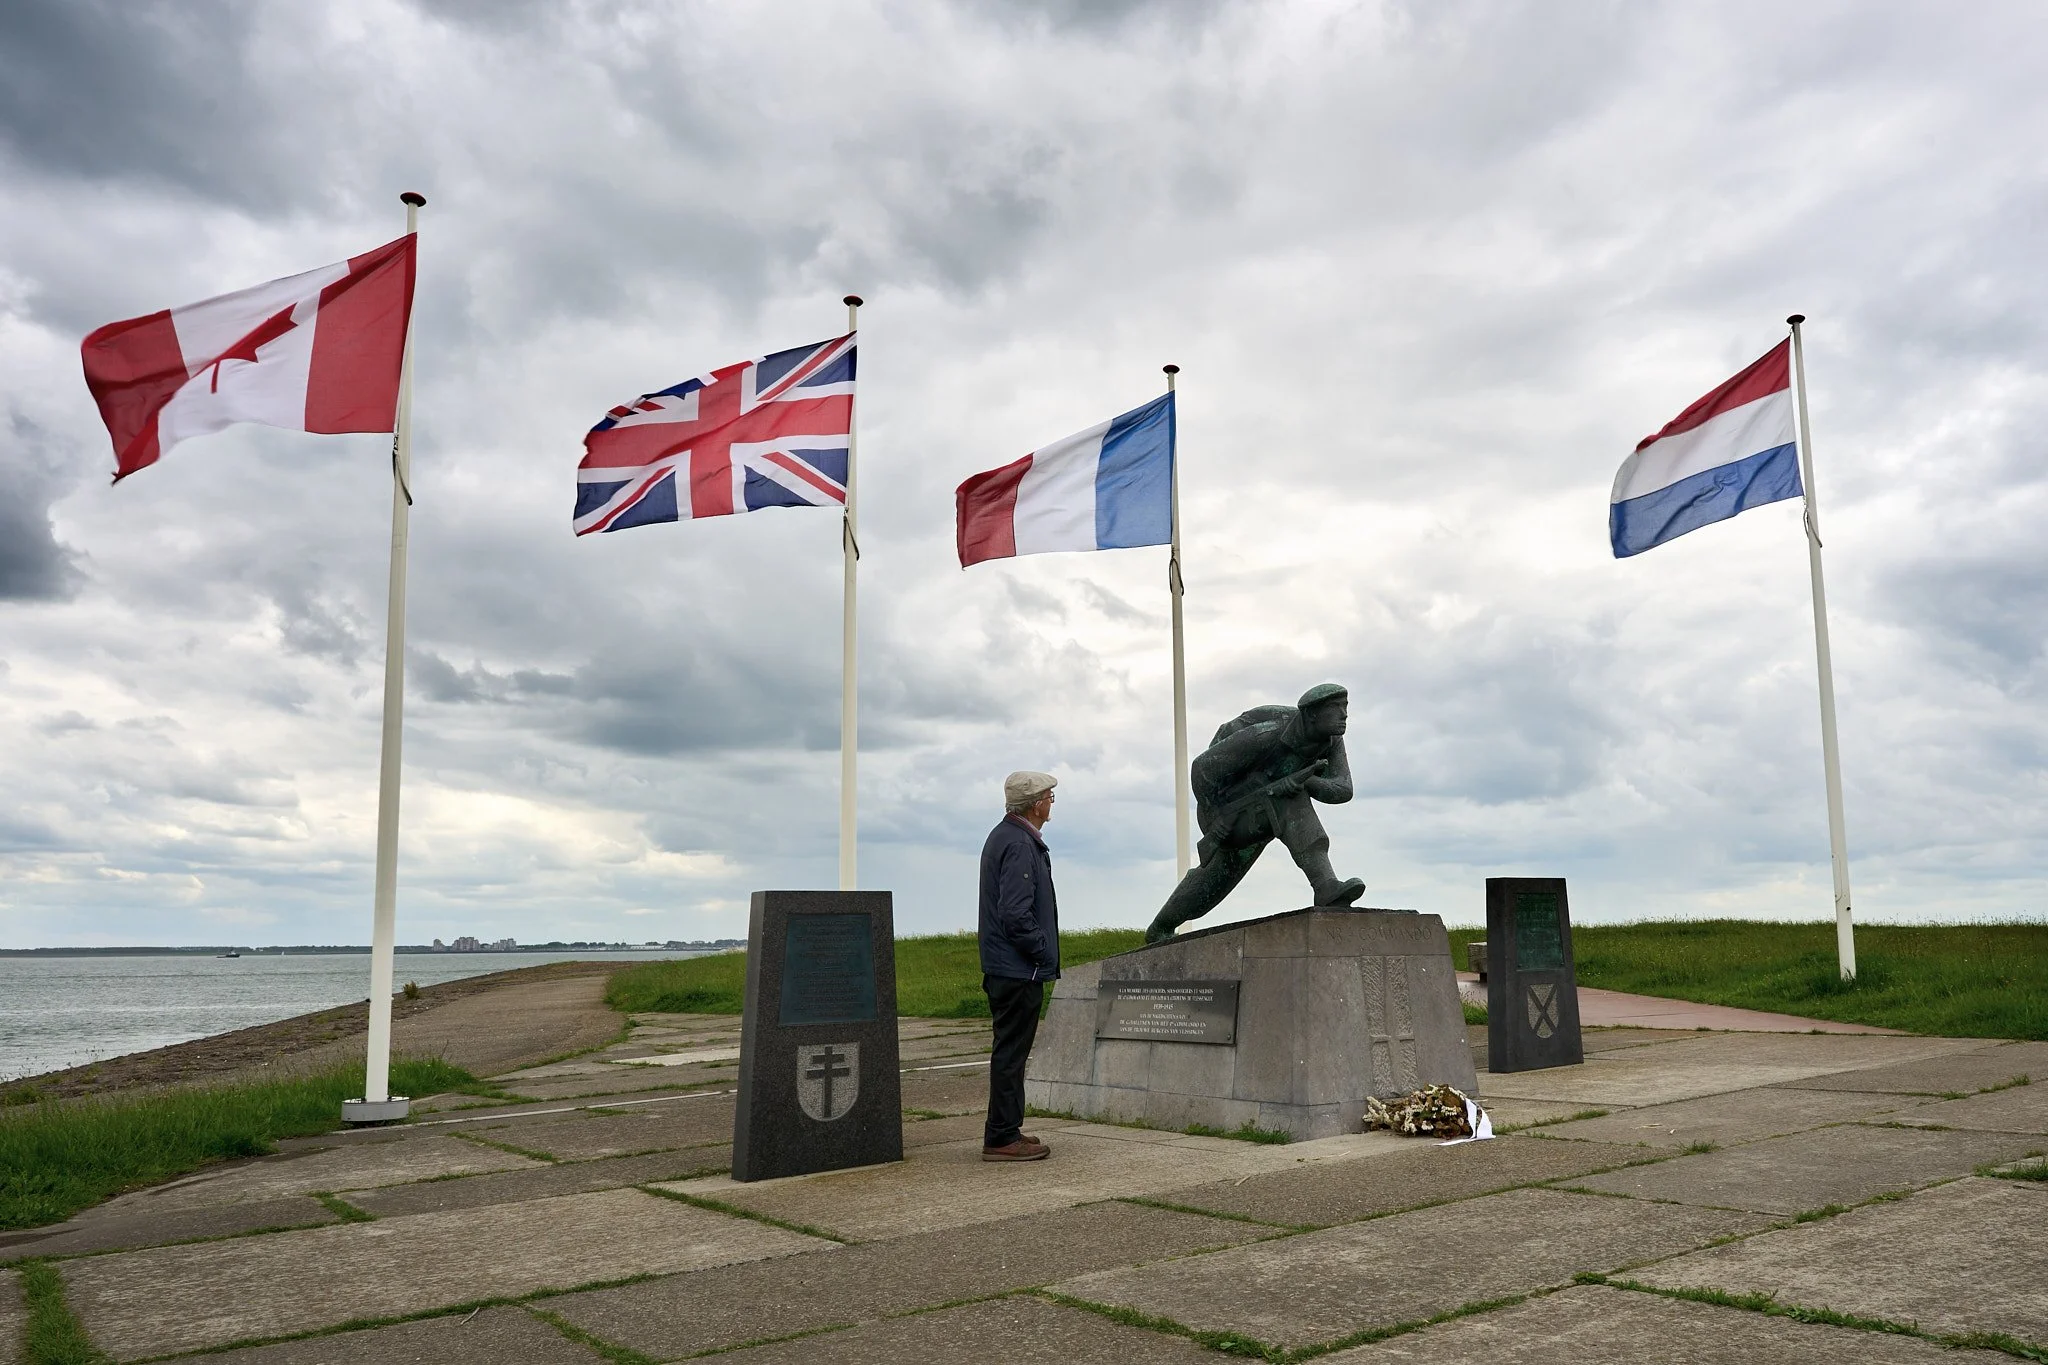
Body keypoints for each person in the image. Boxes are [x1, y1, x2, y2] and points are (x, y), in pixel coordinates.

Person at [1145, 682, 1367, 943]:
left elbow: (1343, 789)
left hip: (1266, 805)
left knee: (1217, 877)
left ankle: (1161, 927)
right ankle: (1325, 885)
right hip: (1224, 811)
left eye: (1345, 707)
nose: (1344, 714)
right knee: (1289, 798)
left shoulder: (1331, 740)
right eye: (1335, 708)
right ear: (1311, 713)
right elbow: (1203, 769)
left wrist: (1307, 781)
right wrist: (1217, 819)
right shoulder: (1268, 733)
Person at [978, 769, 1060, 1162]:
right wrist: (1043, 951)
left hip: (1009, 967)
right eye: (1049, 797)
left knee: (1010, 1053)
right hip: (1017, 970)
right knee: (1011, 1054)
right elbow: (1015, 914)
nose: (1051, 803)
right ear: (1035, 804)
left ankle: (1006, 1128)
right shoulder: (1019, 843)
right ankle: (1000, 1138)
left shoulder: (1007, 836)